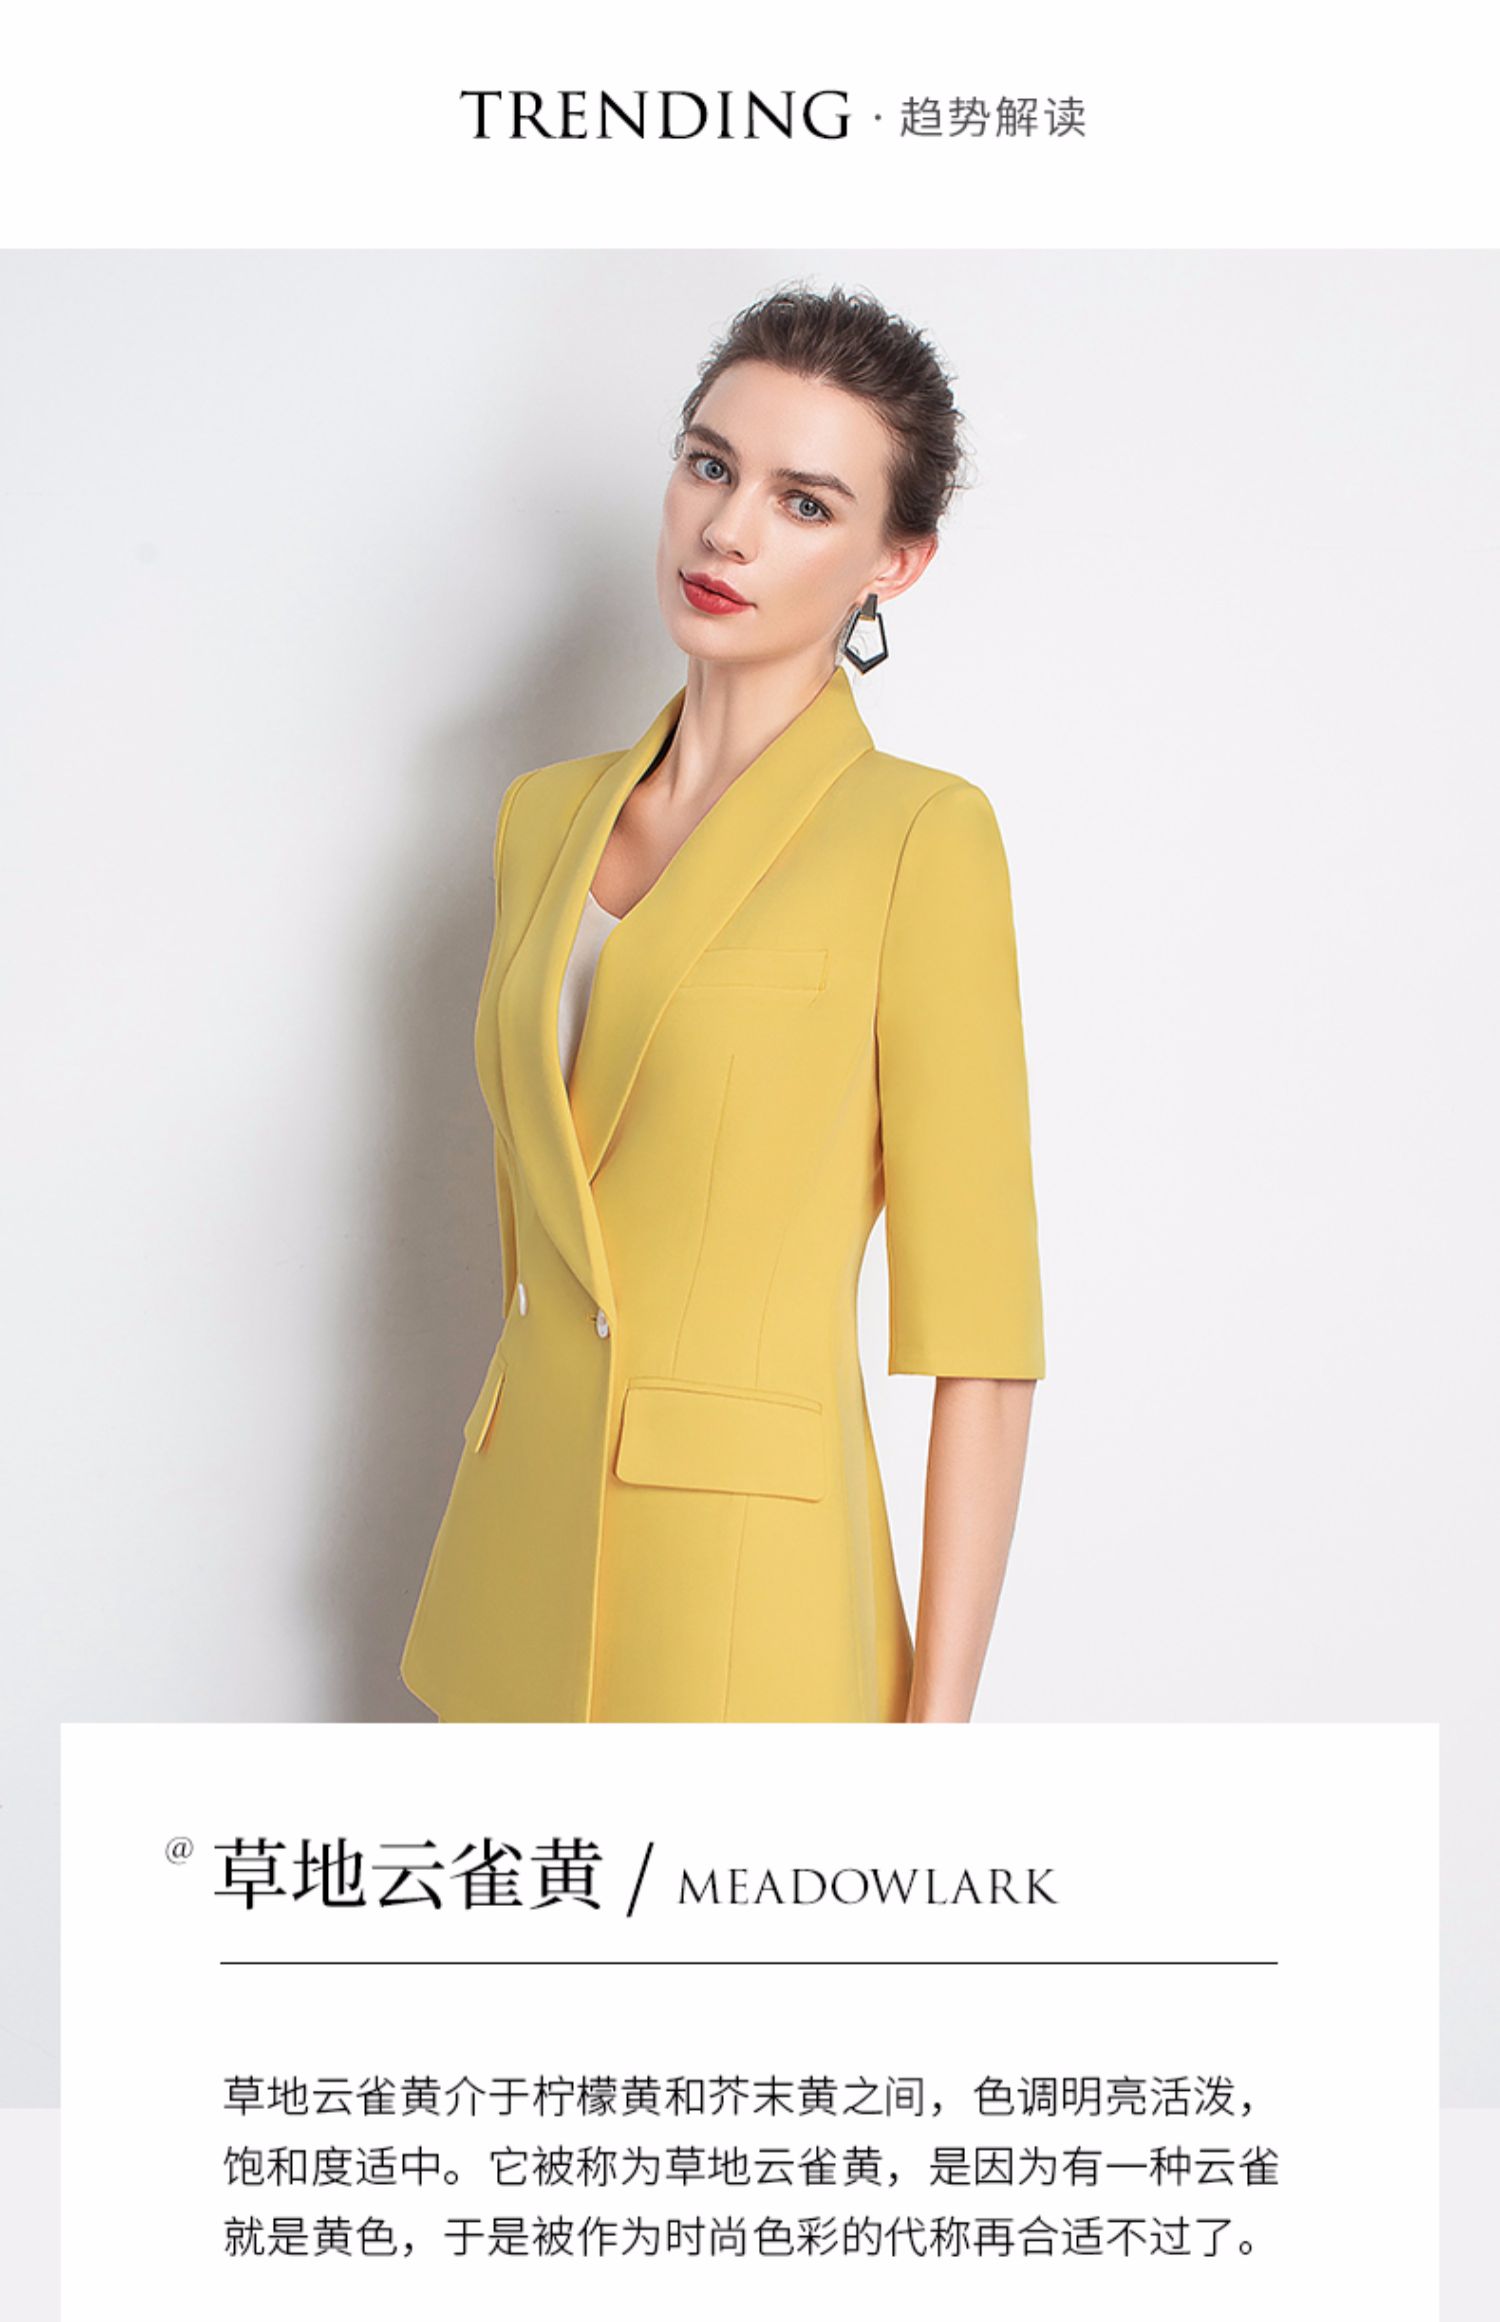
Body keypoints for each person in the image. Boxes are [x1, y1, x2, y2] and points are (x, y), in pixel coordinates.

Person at [400, 284, 1045, 1724]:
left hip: (745, 1592)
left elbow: (983, 1344)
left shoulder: (921, 840)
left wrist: (937, 1736)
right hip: (509, 1562)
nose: (728, 530)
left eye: (805, 503)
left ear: (896, 562)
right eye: (711, 465)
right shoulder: (538, 816)